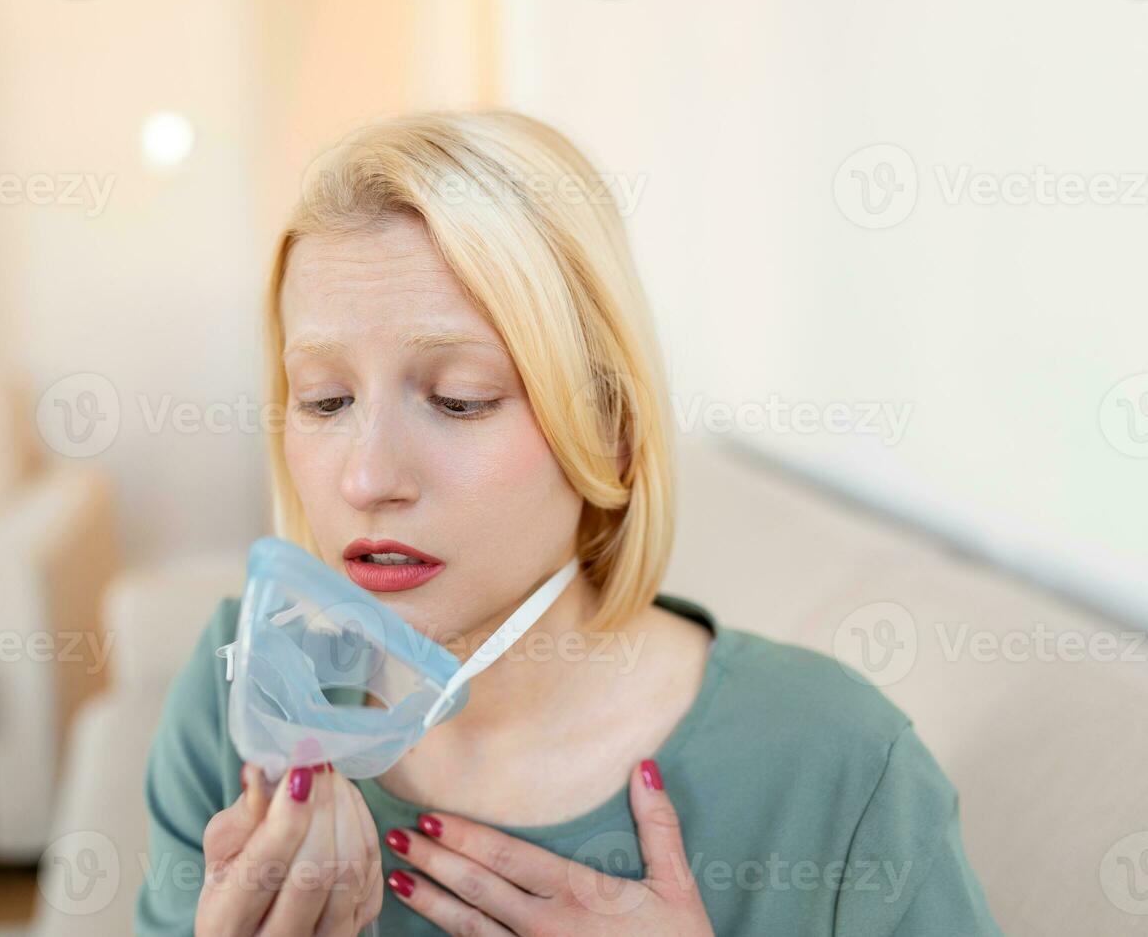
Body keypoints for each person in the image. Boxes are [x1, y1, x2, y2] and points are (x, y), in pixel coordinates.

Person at [137, 110, 1001, 935]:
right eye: (324, 400)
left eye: (457, 400)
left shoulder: (835, 767)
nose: (366, 478)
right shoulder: (237, 703)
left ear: (613, 435)